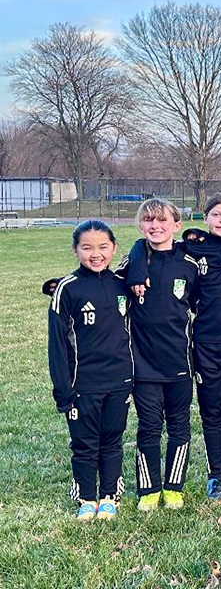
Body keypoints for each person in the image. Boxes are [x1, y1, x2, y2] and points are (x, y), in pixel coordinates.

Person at [127, 192, 221, 499]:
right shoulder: (190, 250)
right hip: (204, 343)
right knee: (211, 412)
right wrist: (136, 263)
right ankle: (215, 475)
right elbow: (150, 245)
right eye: (216, 214)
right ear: (205, 218)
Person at [47, 220, 134, 520]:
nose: (96, 254)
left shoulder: (122, 284)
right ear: (75, 250)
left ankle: (109, 495)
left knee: (112, 440)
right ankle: (86, 497)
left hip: (119, 380)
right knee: (84, 444)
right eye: (87, 248)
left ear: (114, 248)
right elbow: (57, 345)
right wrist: (63, 390)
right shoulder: (67, 289)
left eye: (103, 247)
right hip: (82, 385)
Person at [120, 199, 199, 511]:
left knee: (179, 425)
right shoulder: (132, 264)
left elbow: (200, 304)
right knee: (149, 426)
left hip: (179, 360)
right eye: (149, 220)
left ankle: (174, 487)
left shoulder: (190, 263)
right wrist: (138, 255)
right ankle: (149, 489)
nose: (155, 226)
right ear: (141, 225)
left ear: (176, 225)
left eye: (162, 220)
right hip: (143, 362)